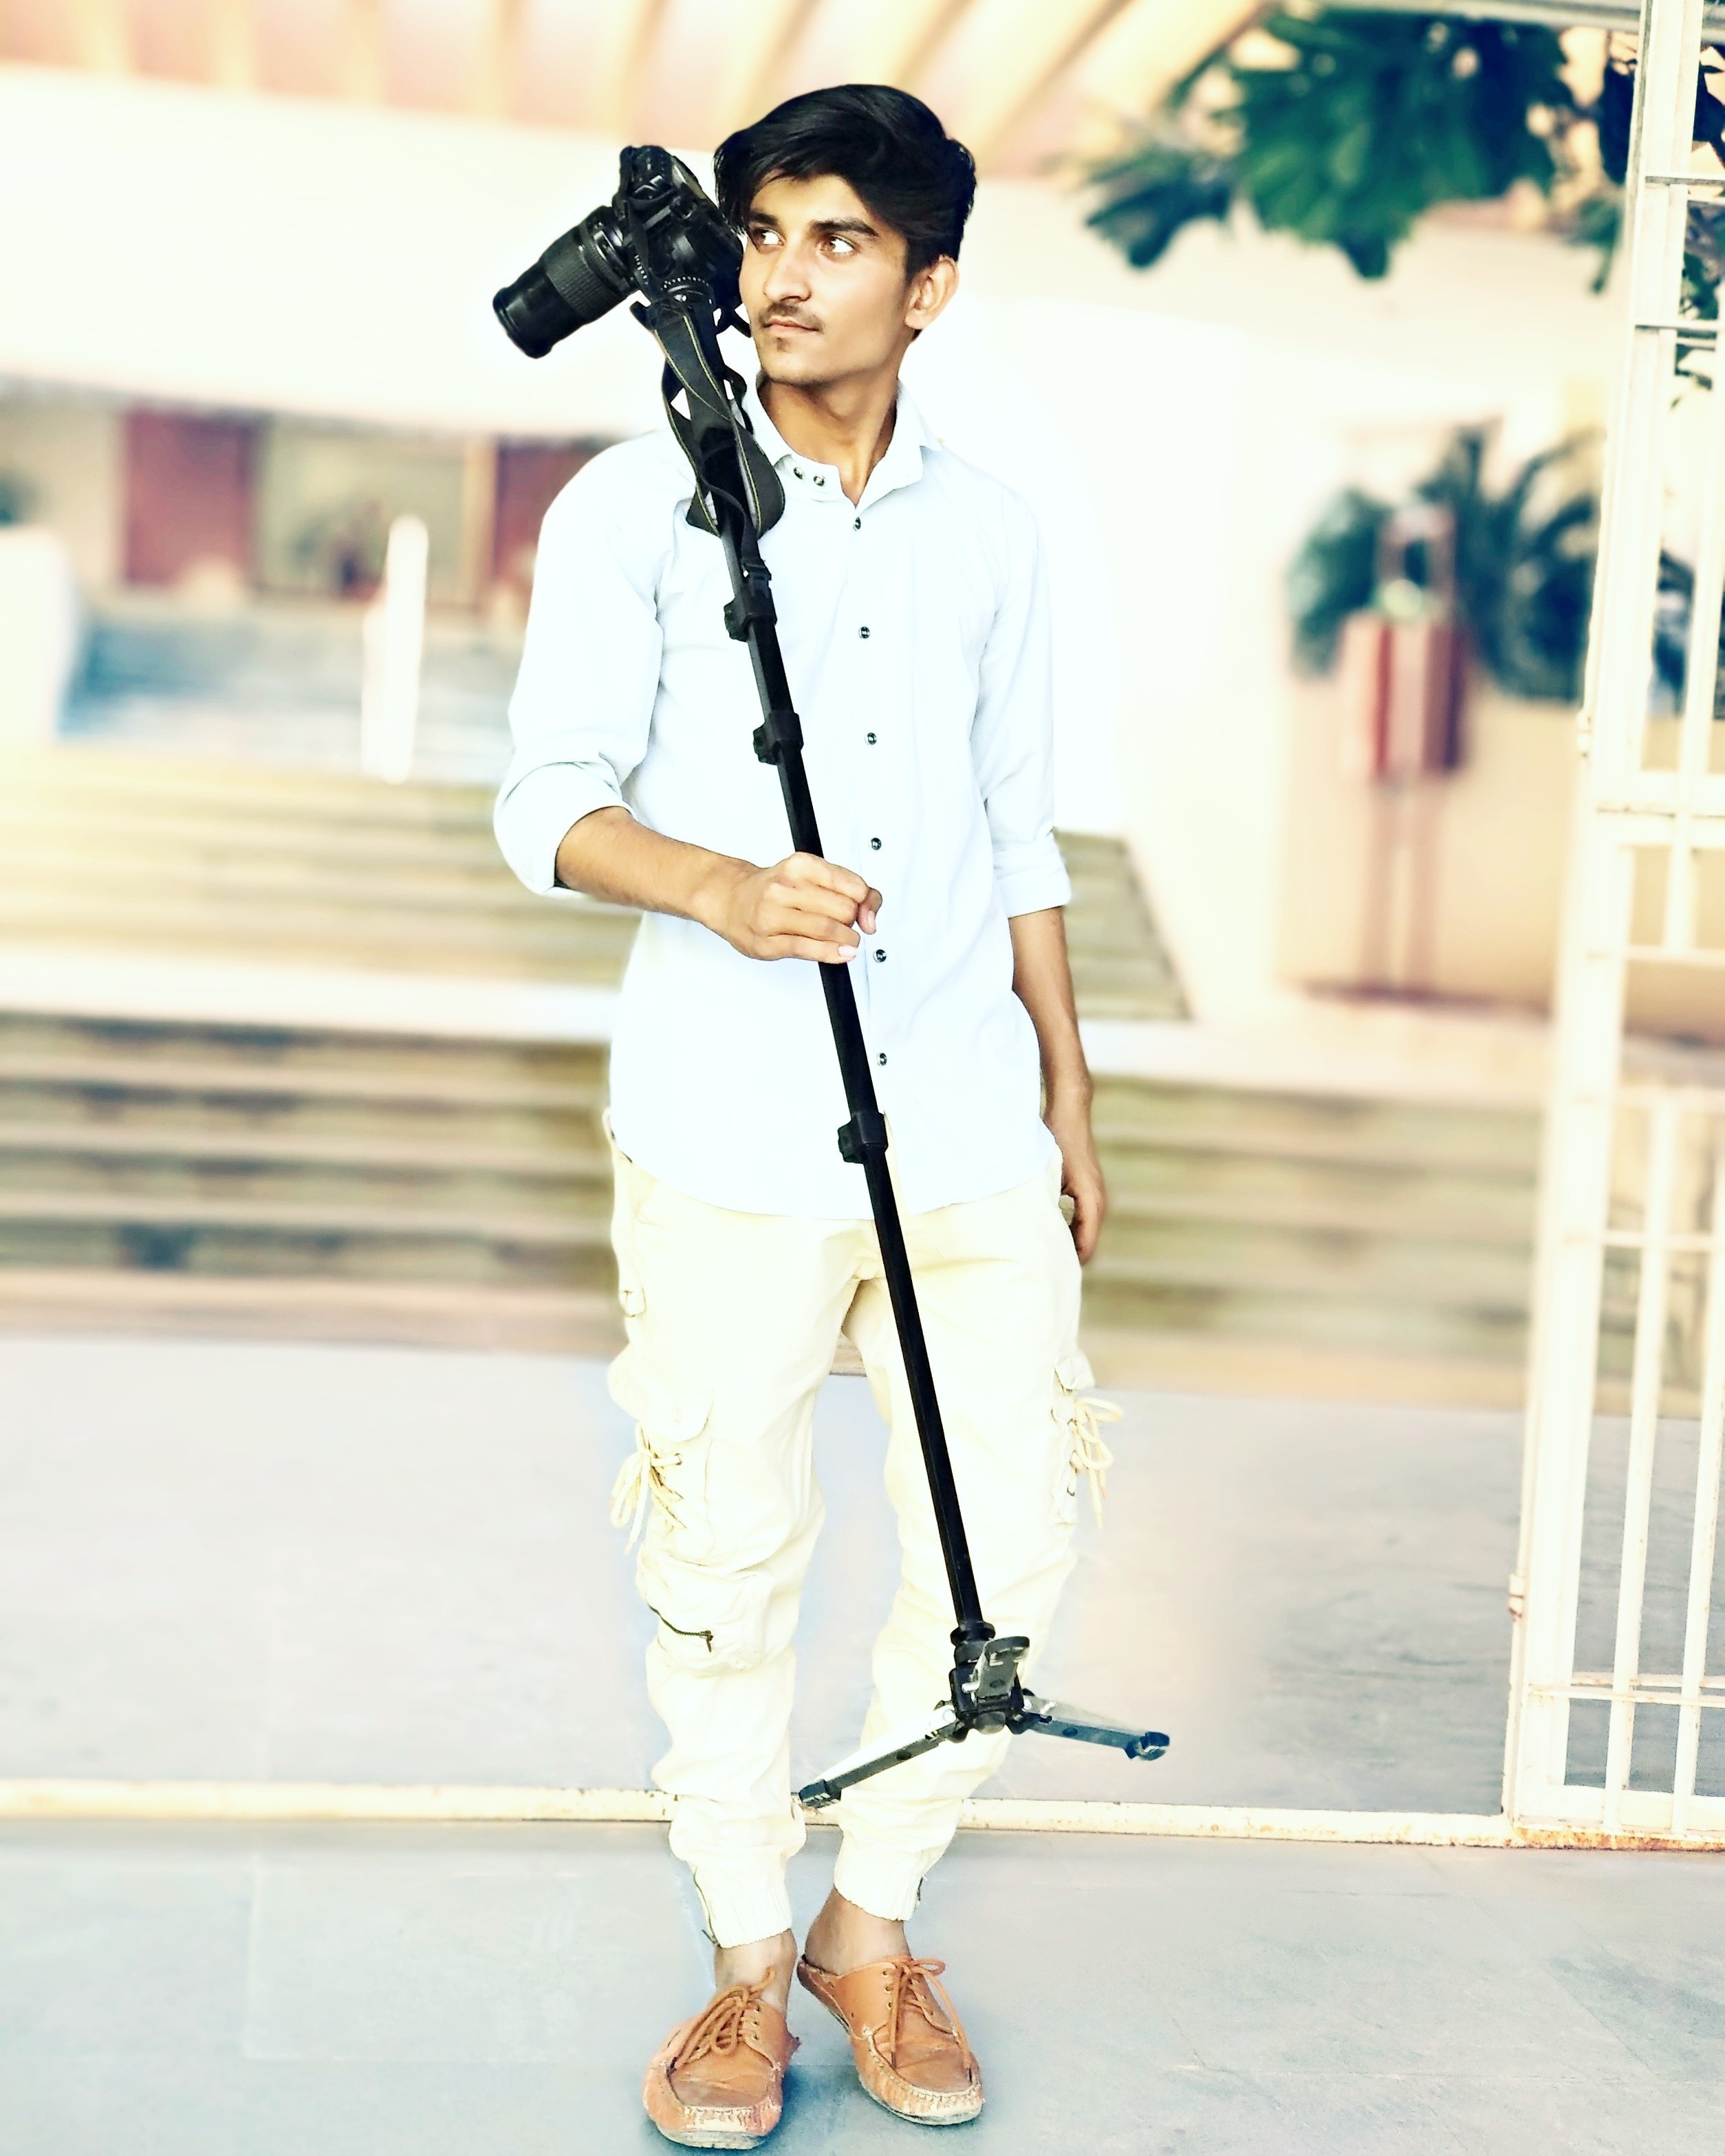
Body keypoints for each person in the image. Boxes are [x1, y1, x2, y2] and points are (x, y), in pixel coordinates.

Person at [495, 83, 1110, 2149]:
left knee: (1005, 1544)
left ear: (929, 286)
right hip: (727, 1131)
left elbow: (1019, 829)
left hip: (965, 1128)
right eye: (762, 233)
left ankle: (875, 1921)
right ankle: (747, 1962)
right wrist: (721, 890)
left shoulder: (992, 532)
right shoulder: (630, 509)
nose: (781, 275)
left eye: (838, 239)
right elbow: (546, 803)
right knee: (727, 1553)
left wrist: (1068, 1094)